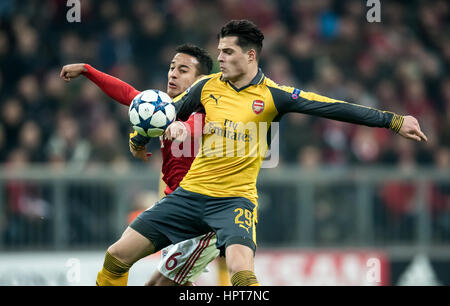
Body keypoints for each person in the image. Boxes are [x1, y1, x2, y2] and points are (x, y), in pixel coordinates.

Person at [95, 19, 428, 287]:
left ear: (250, 56)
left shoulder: (274, 96)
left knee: (241, 272)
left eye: (227, 52)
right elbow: (166, 115)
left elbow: (333, 107)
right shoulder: (206, 87)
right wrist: (140, 139)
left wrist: (393, 121)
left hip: (234, 201)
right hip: (189, 195)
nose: (220, 58)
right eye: (219, 51)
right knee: (116, 256)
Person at [60, 44, 224, 286]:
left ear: (201, 80)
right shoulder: (164, 106)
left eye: (183, 70)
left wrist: (182, 129)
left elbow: (197, 124)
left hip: (202, 217)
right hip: (174, 208)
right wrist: (87, 70)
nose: (173, 74)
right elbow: (127, 94)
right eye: (171, 68)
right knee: (117, 257)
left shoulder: (209, 108)